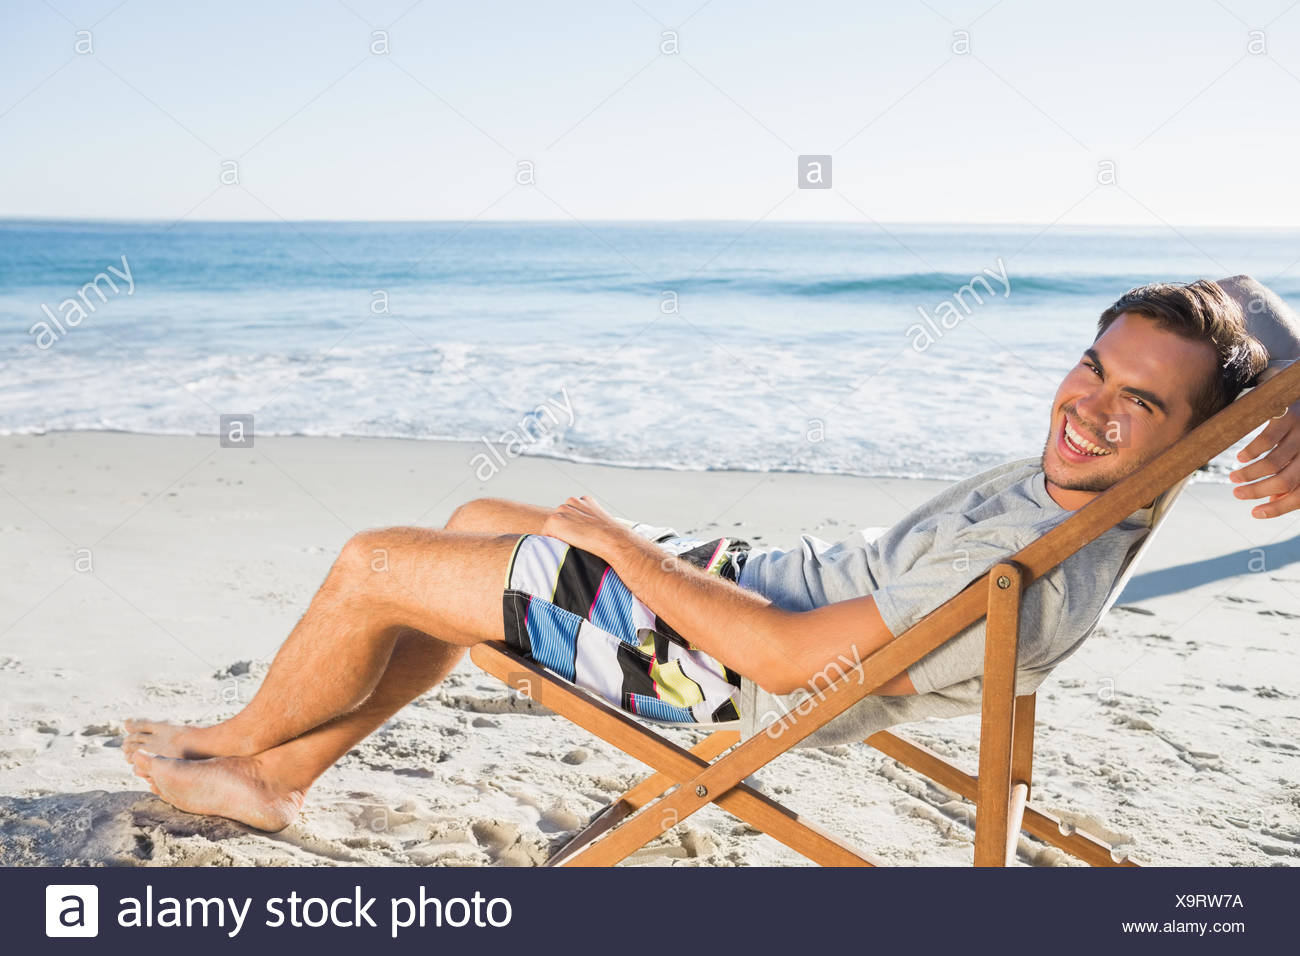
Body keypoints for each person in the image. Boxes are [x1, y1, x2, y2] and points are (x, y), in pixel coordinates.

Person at [123, 275, 1299, 833]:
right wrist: (1284, 388)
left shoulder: (1015, 566)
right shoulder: (1132, 482)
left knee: (378, 562)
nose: (1088, 403)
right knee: (482, 513)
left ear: (1193, 439)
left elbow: (784, 665)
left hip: (707, 670)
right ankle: (283, 773)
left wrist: (619, 545)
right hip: (749, 588)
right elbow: (1251, 302)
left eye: (1136, 401)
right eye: (1093, 364)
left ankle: (235, 748)